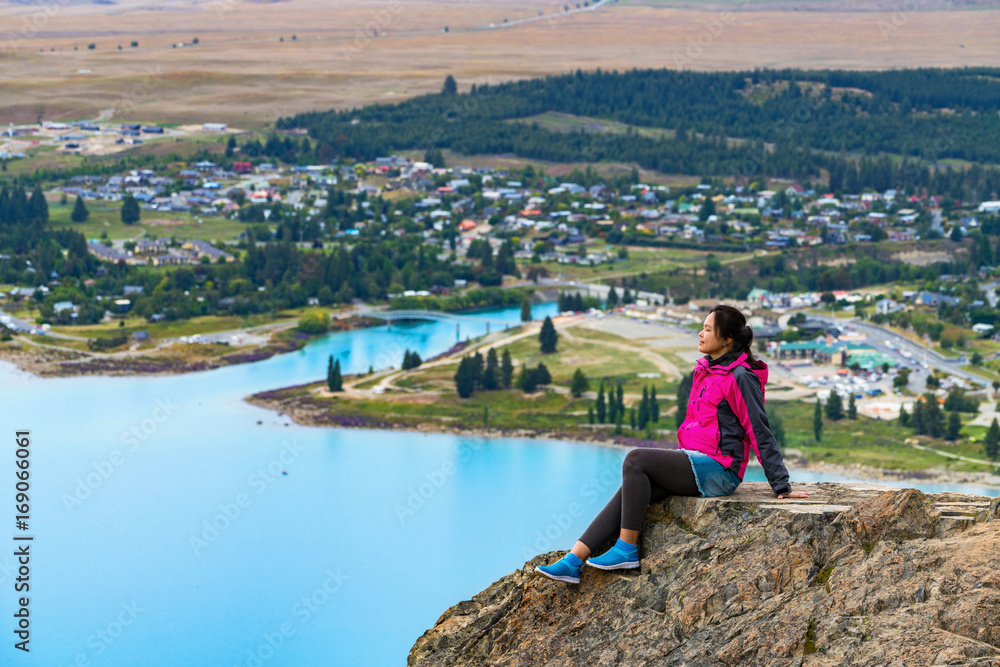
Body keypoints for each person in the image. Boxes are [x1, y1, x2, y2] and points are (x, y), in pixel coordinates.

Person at [535, 304, 810, 584]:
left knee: (635, 460)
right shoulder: (708, 370)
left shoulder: (740, 377)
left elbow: (759, 430)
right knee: (633, 488)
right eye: (701, 327)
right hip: (694, 460)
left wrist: (781, 485)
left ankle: (626, 549)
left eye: (706, 328)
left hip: (720, 470)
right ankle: (573, 560)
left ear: (726, 339)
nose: (700, 333)